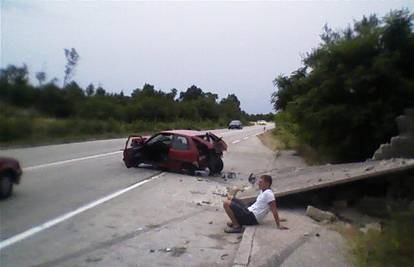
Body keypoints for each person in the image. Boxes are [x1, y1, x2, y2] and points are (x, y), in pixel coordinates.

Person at [222, 175, 288, 233]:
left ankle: (237, 226)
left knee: (226, 203)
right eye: (259, 182)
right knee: (231, 198)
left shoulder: (269, 194)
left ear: (267, 184)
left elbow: (274, 209)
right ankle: (236, 222)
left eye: (261, 182)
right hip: (249, 211)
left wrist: (278, 224)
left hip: (252, 217)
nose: (258, 183)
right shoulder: (263, 191)